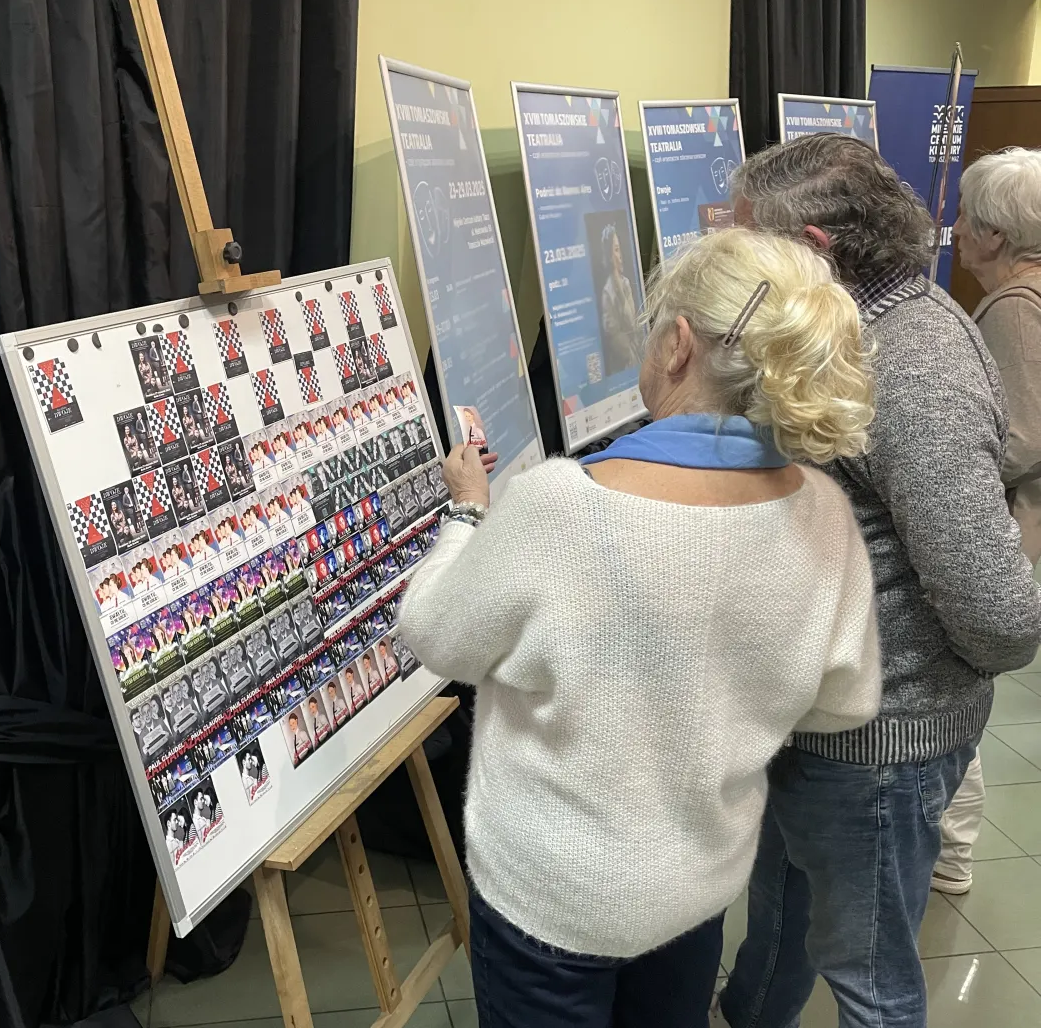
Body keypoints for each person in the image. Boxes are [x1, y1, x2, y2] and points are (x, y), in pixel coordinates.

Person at [398, 226, 883, 1028]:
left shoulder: (562, 504)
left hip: (552, 895)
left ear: (679, 345)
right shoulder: (823, 514)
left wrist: (465, 514)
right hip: (695, 884)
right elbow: (844, 701)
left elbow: (435, 635)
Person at [720, 134, 1041, 1028]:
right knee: (780, 921)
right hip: (821, 718)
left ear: (814, 248)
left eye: (748, 242)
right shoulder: (847, 329)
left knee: (869, 981)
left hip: (879, 742)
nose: (737, 266)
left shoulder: (910, 360)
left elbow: (999, 611)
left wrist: (916, 685)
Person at [928, 147, 1041, 896]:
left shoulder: (1015, 308)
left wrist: (936, 463)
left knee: (955, 687)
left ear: (997, 235)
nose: (956, 228)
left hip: (1010, 526)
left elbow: (1022, 437)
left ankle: (951, 850)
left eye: (967, 216)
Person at [598, 223, 644, 375]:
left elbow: (634, 321)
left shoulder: (626, 283)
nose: (620, 255)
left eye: (620, 249)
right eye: (616, 250)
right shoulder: (607, 293)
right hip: (624, 366)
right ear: (610, 256)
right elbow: (614, 336)